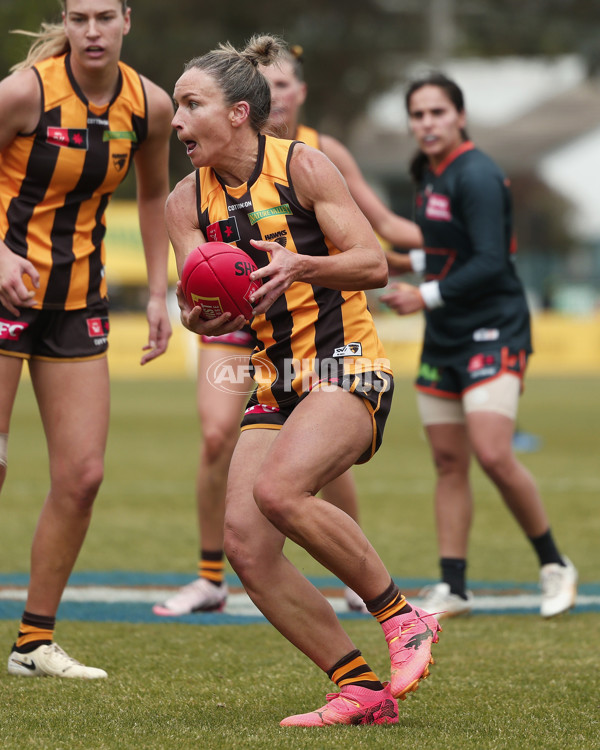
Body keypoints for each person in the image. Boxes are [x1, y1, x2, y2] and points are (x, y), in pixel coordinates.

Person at [166, 34, 441, 727]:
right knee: (246, 544)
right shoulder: (183, 202)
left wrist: (302, 266)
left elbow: (373, 263)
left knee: (278, 490)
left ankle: (404, 618)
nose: (175, 122)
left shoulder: (303, 166)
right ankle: (360, 690)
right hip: (274, 380)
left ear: (237, 113)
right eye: (174, 106)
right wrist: (197, 314)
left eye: (190, 105)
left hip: (348, 364)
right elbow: (199, 310)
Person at [0, 0, 173, 678]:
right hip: (5, 291)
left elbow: (156, 196)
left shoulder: (149, 106)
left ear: (128, 20)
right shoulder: (24, 93)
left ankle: (33, 644)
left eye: (105, 16)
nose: (92, 30)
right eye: (79, 18)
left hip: (77, 301)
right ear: (65, 24)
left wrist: (160, 293)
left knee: (83, 476)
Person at [381, 72, 577, 620]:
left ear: (459, 116)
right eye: (417, 115)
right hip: (446, 335)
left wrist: (425, 295)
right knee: (448, 461)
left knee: (492, 453)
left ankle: (554, 563)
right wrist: (409, 264)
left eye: (437, 112)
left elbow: (491, 261)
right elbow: (450, 249)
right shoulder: (430, 175)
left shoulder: (478, 174)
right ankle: (455, 586)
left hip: (493, 327)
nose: (427, 123)